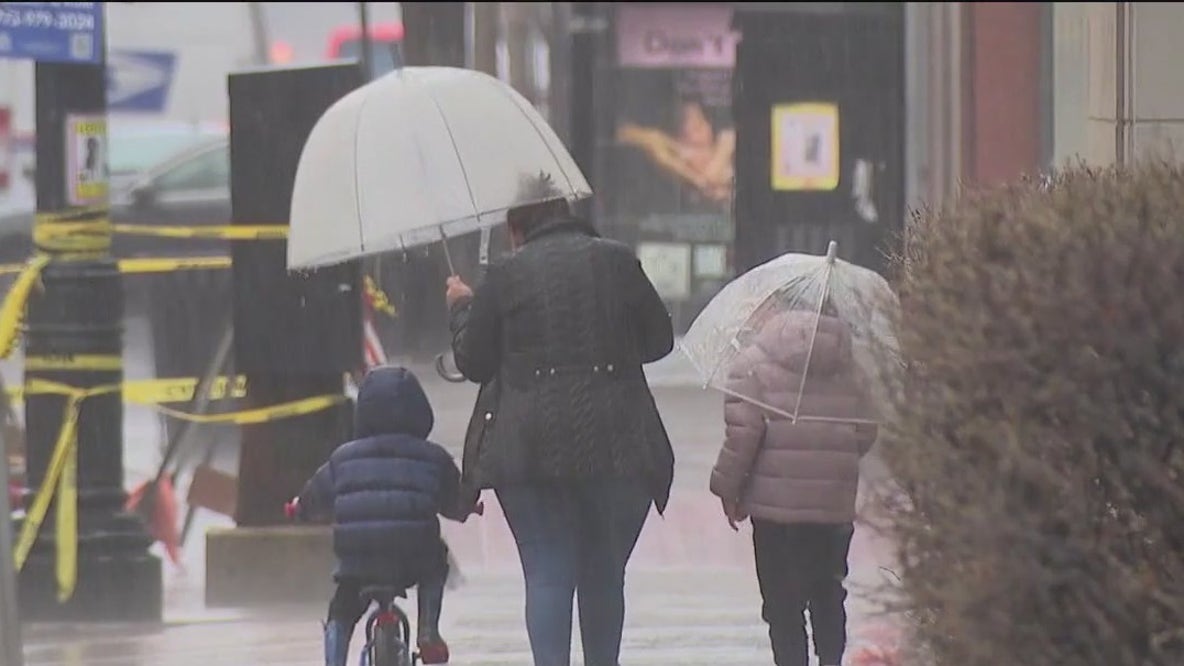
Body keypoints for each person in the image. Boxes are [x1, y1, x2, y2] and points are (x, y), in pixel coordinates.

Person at [444, 174, 675, 666]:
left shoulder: (504, 276)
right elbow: (659, 341)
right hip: (619, 443)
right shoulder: (616, 260)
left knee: (547, 572)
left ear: (514, 228)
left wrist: (462, 308)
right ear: (566, 213)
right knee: (604, 572)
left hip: (529, 450)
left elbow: (474, 362)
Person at [709, 306, 878, 666]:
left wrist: (728, 489)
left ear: (778, 311)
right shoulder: (853, 370)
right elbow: (865, 433)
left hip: (774, 512)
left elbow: (743, 436)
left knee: (782, 603)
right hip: (833, 506)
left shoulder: (751, 365)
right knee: (828, 593)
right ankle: (830, 660)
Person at [289, 366, 479, 666]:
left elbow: (314, 498)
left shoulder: (342, 458)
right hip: (413, 554)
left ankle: (334, 658)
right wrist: (468, 507)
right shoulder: (433, 457)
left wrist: (299, 509)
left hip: (358, 558)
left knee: (343, 607)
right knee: (435, 565)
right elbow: (453, 502)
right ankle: (428, 630)